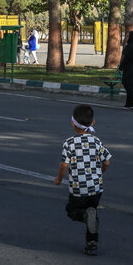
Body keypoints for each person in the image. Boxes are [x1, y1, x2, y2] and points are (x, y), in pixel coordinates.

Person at [54, 104, 113, 256]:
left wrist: (59, 179)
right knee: (92, 211)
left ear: (72, 123)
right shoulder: (96, 141)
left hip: (78, 188)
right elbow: (106, 160)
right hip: (96, 187)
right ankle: (91, 244)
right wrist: (101, 171)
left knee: (72, 211)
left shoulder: (69, 143)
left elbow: (63, 165)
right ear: (93, 122)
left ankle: (85, 217)